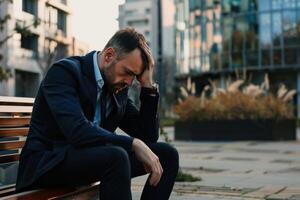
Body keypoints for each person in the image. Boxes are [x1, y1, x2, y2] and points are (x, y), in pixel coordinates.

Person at [16, 28, 179, 200]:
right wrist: (133, 144)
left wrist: (148, 85)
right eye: (129, 73)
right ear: (109, 56)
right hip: (48, 164)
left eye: (136, 76)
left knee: (166, 155)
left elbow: (148, 136)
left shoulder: (117, 88)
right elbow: (77, 131)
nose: (130, 82)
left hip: (89, 161)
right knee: (116, 157)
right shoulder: (65, 72)